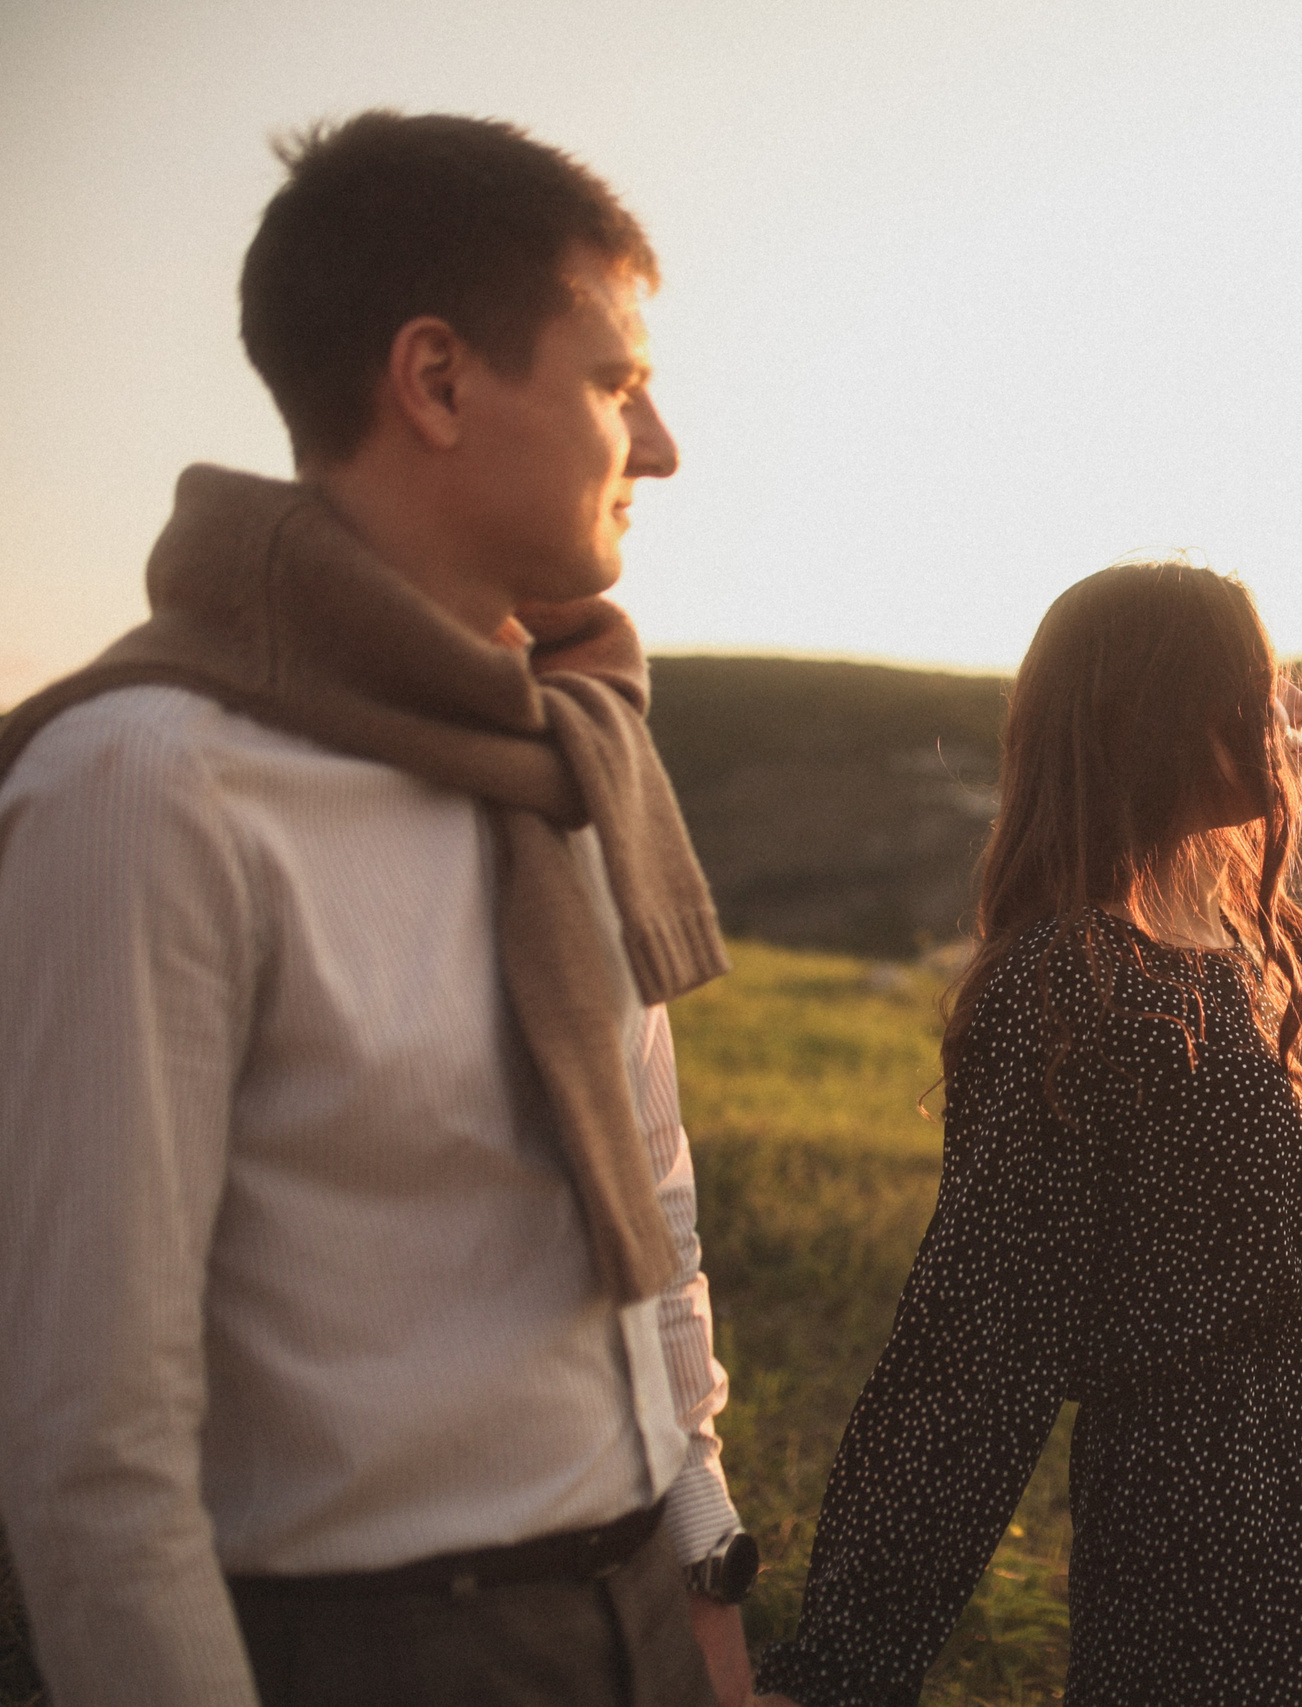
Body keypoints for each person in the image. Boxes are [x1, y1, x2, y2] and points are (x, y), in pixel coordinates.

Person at [0, 113, 761, 1707]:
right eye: (617, 381)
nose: (667, 444)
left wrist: (702, 1558)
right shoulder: (146, 787)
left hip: (643, 1608)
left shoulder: (565, 752)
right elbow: (92, 1450)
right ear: (437, 380)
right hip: (375, 1649)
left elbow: (656, 1204)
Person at [754, 562, 1302, 1707]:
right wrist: (840, 1670)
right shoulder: (1067, 990)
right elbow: (975, 1350)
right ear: (1161, 716)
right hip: (1200, 1551)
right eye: (1260, 686)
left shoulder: (1245, 962)